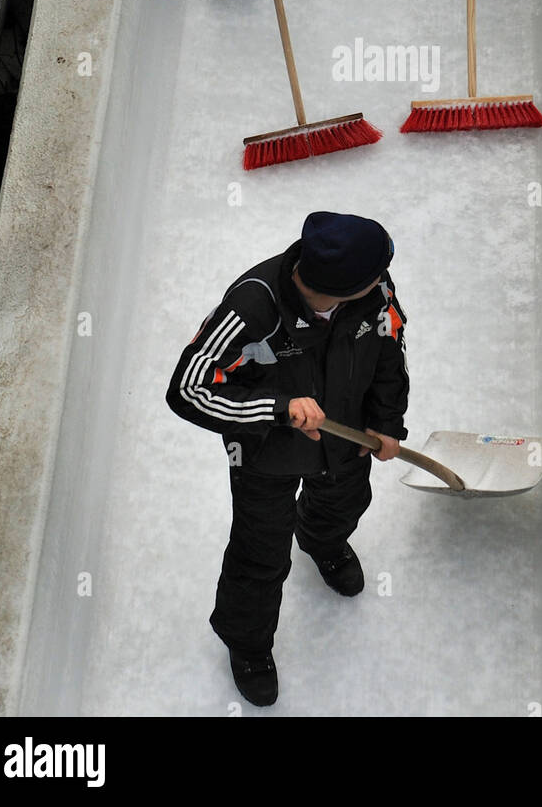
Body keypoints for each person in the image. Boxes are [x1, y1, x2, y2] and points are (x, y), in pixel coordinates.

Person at [166, 212, 408, 707]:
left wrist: (385, 421)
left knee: (344, 502)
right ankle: (249, 645)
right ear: (345, 287)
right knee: (260, 556)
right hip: (263, 454)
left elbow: (389, 352)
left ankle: (322, 539)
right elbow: (186, 390)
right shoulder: (252, 307)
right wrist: (275, 409)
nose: (383, 280)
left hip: (345, 434)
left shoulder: (375, 294)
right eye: (375, 276)